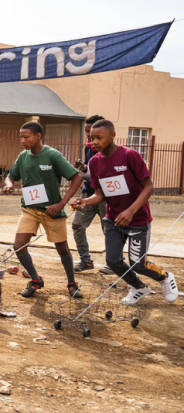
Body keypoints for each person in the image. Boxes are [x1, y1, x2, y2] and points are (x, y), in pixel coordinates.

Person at [71, 119, 178, 305]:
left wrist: (130, 211)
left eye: (99, 137)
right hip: (113, 219)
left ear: (113, 135)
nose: (94, 142)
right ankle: (139, 287)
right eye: (91, 138)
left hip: (137, 219)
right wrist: (85, 202)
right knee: (113, 261)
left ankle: (165, 277)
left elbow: (148, 187)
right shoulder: (95, 162)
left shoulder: (130, 156)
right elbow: (100, 194)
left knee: (138, 264)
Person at [3, 121, 83, 298]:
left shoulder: (53, 155)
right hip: (30, 209)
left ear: (38, 136)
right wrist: (9, 184)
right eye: (21, 137)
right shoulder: (23, 156)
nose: (22, 141)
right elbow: (11, 176)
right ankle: (35, 280)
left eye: (26, 137)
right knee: (19, 246)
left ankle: (72, 283)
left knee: (62, 248)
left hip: (52, 210)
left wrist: (61, 203)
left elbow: (77, 177)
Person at [72, 115, 110, 274]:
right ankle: (85, 260)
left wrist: (81, 175)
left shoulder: (110, 152)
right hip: (88, 193)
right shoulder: (88, 148)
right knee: (77, 225)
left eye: (92, 132)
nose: (88, 135)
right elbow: (91, 170)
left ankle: (113, 262)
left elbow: (102, 176)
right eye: (87, 131)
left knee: (109, 229)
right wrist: (83, 168)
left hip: (105, 197)